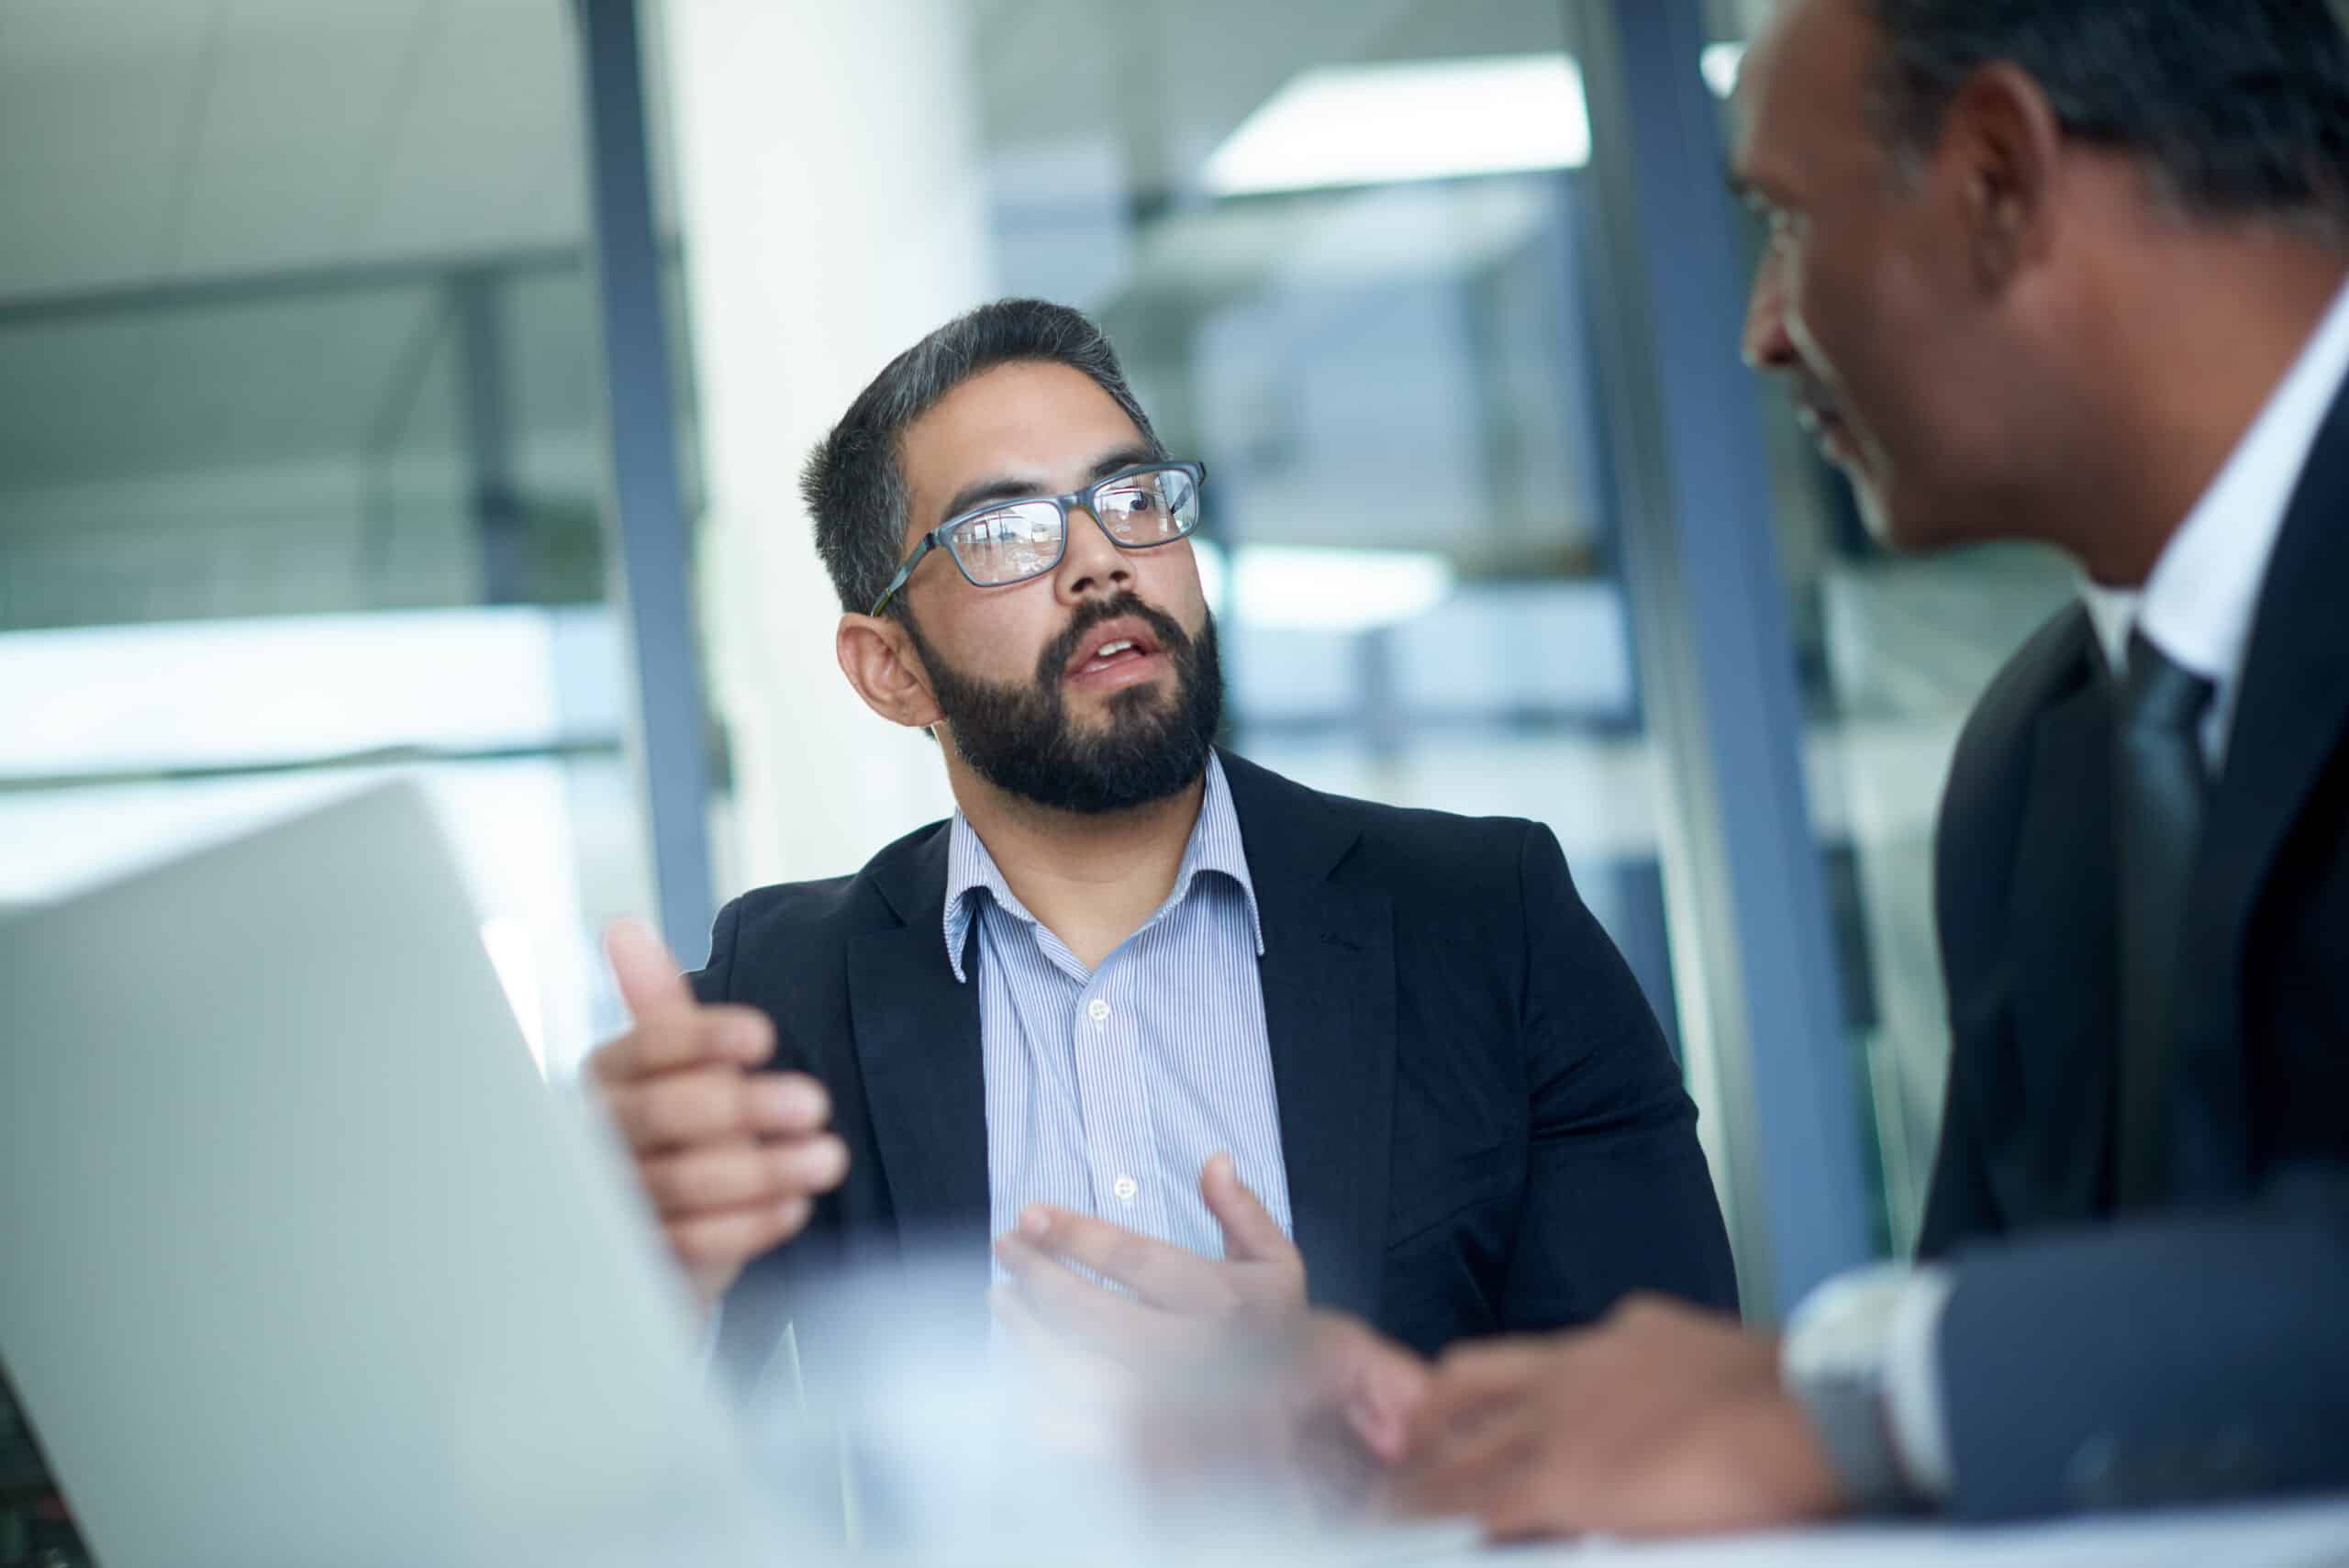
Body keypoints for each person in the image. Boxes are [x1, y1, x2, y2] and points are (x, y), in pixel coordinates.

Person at [1385, 0, 2349, 1536]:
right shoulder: (2039, 762)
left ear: (1996, 176)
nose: (1764, 327)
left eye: (1784, 219)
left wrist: (1853, 1387)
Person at [586, 298, 1737, 1395]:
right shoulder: (780, 1000)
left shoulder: (1489, 923)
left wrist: (1347, 1420)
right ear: (891, 668)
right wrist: (619, 1263)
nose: (1101, 561)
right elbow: (613, 1462)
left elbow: (1675, 1427)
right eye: (1005, 531)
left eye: (1131, 497)